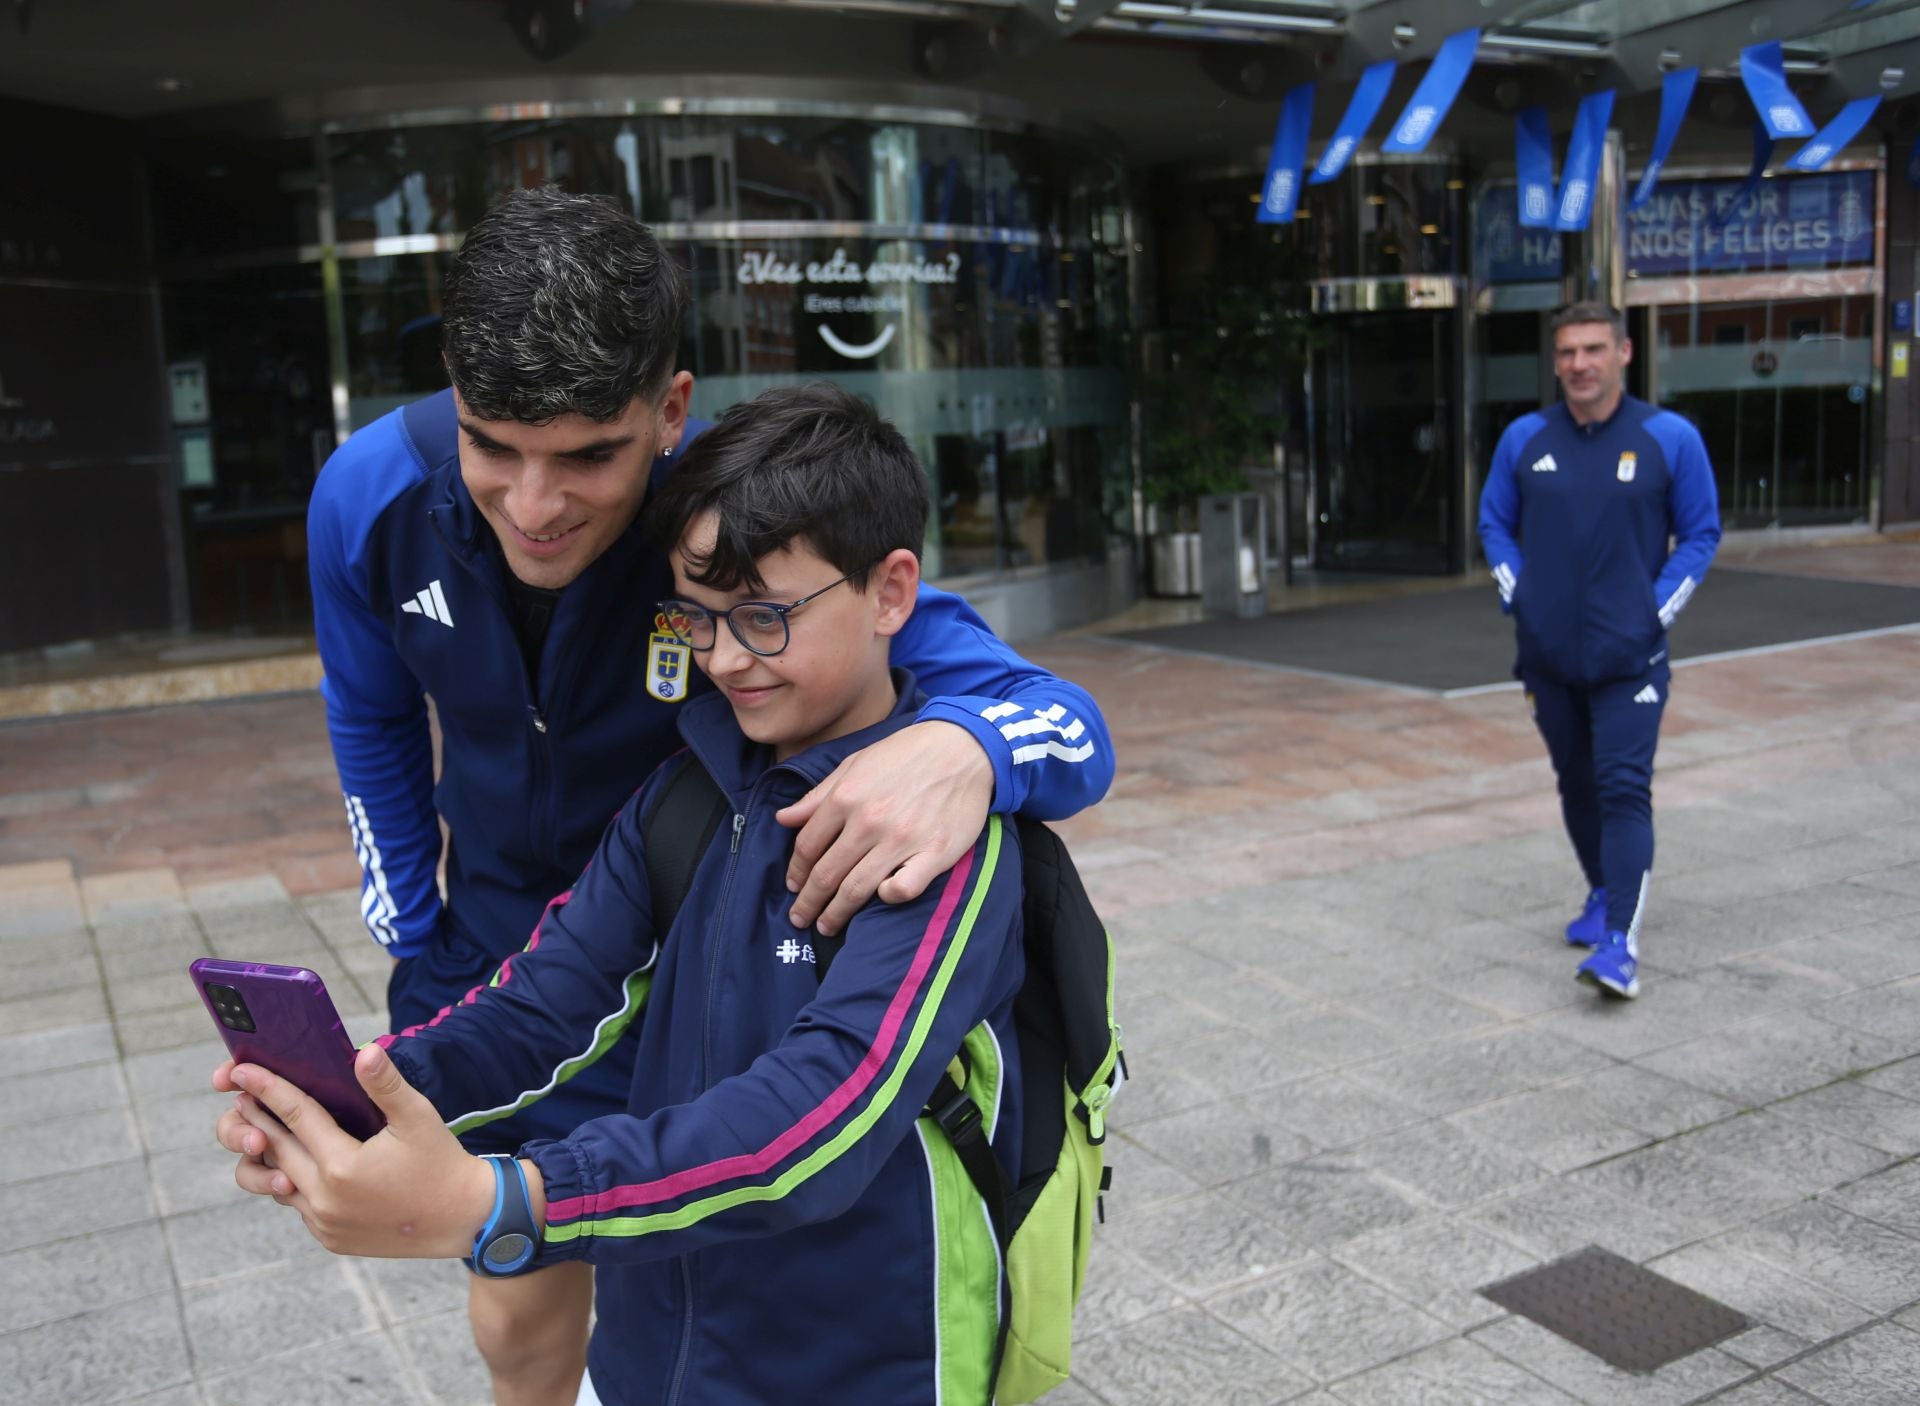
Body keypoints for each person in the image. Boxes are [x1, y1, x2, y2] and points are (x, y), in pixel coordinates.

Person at [304, 187, 1112, 1402]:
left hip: (725, 935)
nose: (534, 505)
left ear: (668, 412)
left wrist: (965, 750)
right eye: (492, 448)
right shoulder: (366, 498)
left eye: (587, 454)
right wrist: (404, 950)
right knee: (521, 1308)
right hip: (551, 927)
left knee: (713, 1226)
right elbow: (369, 718)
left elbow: (1055, 716)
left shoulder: (741, 522)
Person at [221, 382, 1029, 1405]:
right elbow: (543, 999)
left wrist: (508, 1197)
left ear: (890, 591)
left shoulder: (935, 835)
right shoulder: (688, 789)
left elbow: (818, 1117)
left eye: (766, 618)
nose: (726, 659)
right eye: (698, 616)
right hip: (652, 1361)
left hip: (860, 1367)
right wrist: (367, 1094)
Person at [1476, 300, 1721, 999]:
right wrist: (1518, 594)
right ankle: (1599, 891)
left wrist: (1654, 608)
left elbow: (1701, 533)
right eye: (1566, 352)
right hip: (1547, 660)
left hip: (1629, 659)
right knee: (1576, 783)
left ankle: (1621, 944)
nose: (1579, 364)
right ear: (1555, 361)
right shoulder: (1524, 438)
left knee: (1621, 789)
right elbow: (1494, 522)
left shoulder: (1669, 437)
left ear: (1623, 353)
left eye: (1592, 349)